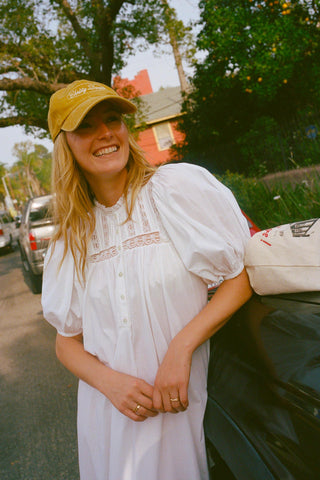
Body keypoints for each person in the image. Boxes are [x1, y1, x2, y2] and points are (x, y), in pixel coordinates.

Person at [41, 79, 253, 480]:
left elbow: (239, 278)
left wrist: (182, 345)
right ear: (65, 145)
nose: (105, 133)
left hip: (176, 410)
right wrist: (109, 383)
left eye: (112, 119)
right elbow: (66, 342)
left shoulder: (174, 192)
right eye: (85, 126)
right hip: (109, 415)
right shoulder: (69, 240)